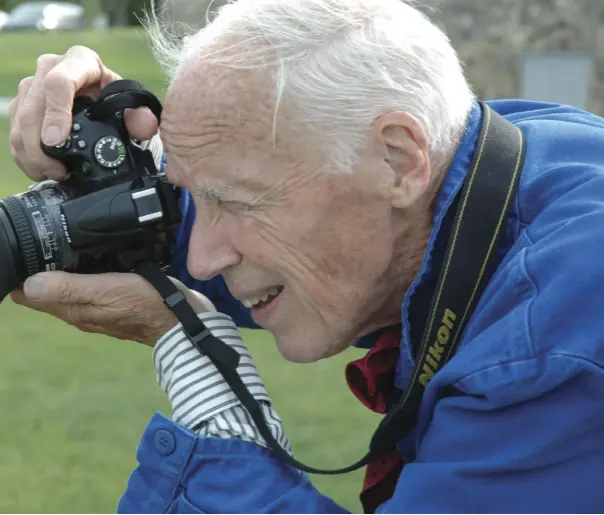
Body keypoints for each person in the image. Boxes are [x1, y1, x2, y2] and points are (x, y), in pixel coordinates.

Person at [7, 0, 604, 512]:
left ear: (399, 159)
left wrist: (210, 397)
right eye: (194, 196)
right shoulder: (507, 156)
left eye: (235, 202)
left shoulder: (555, 347)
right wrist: (112, 169)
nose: (203, 259)